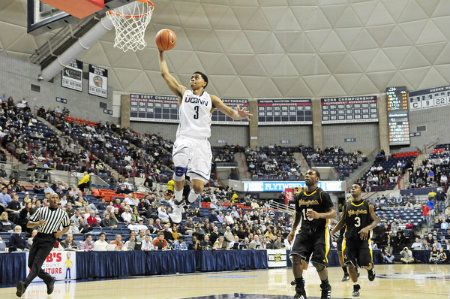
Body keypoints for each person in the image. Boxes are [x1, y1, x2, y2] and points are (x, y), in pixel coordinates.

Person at [158, 50, 252, 218]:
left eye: (197, 77)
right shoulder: (183, 92)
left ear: (204, 83)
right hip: (185, 138)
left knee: (198, 188)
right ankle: (178, 205)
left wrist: (240, 115)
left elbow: (231, 113)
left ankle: (187, 201)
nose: (193, 79)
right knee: (179, 168)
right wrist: (161, 52)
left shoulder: (212, 99)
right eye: (192, 77)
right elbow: (165, 74)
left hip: (202, 143)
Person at [287, 169, 336, 299]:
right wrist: (292, 230)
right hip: (304, 231)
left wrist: (318, 215)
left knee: (318, 263)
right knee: (295, 258)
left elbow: (333, 213)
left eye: (311, 174)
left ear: (317, 179)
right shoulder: (299, 196)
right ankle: (300, 289)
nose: (307, 175)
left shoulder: (322, 194)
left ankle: (326, 287)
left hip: (320, 232)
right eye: (306, 174)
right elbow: (297, 214)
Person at [16, 193, 70, 297]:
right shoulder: (41, 210)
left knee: (36, 265)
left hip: (49, 239)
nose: (54, 199)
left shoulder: (62, 213)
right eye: (52, 197)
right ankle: (49, 279)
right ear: (49, 199)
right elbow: (28, 224)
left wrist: (61, 233)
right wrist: (37, 223)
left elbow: (67, 226)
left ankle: (24, 285)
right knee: (31, 264)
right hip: (38, 237)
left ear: (58, 200)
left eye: (56, 198)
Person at [331, 183, 380, 297]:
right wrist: (333, 231)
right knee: (350, 265)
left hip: (363, 240)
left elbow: (376, 221)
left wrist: (367, 228)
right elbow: (342, 221)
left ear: (360, 190)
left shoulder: (368, 205)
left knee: (365, 264)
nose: (353, 189)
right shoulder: (347, 205)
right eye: (351, 188)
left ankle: (370, 268)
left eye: (355, 187)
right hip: (349, 240)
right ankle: (356, 286)